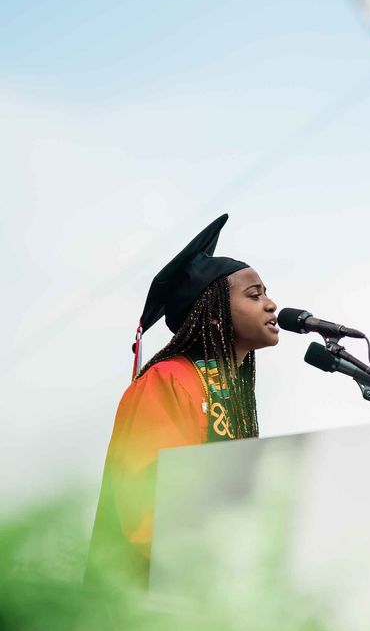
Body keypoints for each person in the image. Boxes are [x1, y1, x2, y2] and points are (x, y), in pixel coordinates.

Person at [88, 214, 278, 584]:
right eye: (255, 295)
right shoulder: (168, 380)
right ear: (213, 318)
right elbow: (141, 500)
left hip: (218, 586)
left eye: (267, 294)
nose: (271, 305)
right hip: (158, 591)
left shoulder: (232, 395)